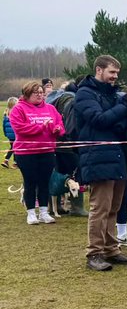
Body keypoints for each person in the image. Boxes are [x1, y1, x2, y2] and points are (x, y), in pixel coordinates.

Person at [75, 55, 127, 272]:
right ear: (99, 70)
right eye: (112, 72)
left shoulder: (111, 94)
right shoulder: (85, 93)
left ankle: (111, 249)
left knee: (114, 207)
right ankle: (94, 252)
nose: (115, 77)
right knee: (100, 207)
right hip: (97, 156)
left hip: (118, 155)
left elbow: (117, 120)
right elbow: (99, 120)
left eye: (117, 73)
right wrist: (125, 105)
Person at [9, 80, 66, 225]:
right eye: (36, 93)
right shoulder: (18, 109)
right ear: (27, 94)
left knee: (44, 182)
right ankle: (31, 213)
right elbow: (20, 129)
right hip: (26, 153)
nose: (40, 95)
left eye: (41, 92)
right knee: (30, 182)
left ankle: (44, 212)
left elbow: (59, 123)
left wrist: (57, 129)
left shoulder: (50, 108)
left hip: (47, 151)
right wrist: (41, 127)